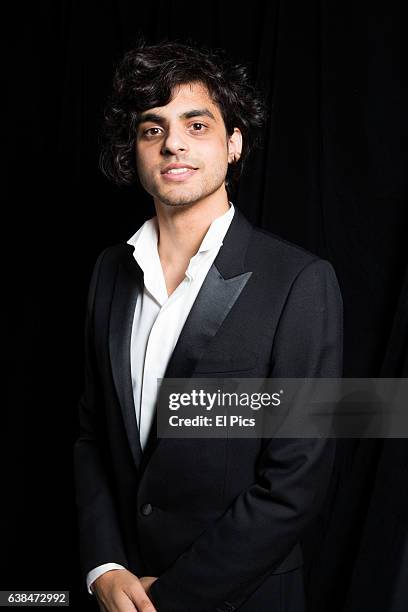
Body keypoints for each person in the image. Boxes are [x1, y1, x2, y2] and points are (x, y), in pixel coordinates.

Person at [73, 40, 343, 612]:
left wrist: (172, 599)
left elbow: (295, 483)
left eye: (197, 124)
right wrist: (105, 565)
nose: (173, 142)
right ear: (137, 150)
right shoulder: (107, 273)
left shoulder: (300, 281)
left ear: (233, 143)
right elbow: (94, 436)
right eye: (153, 129)